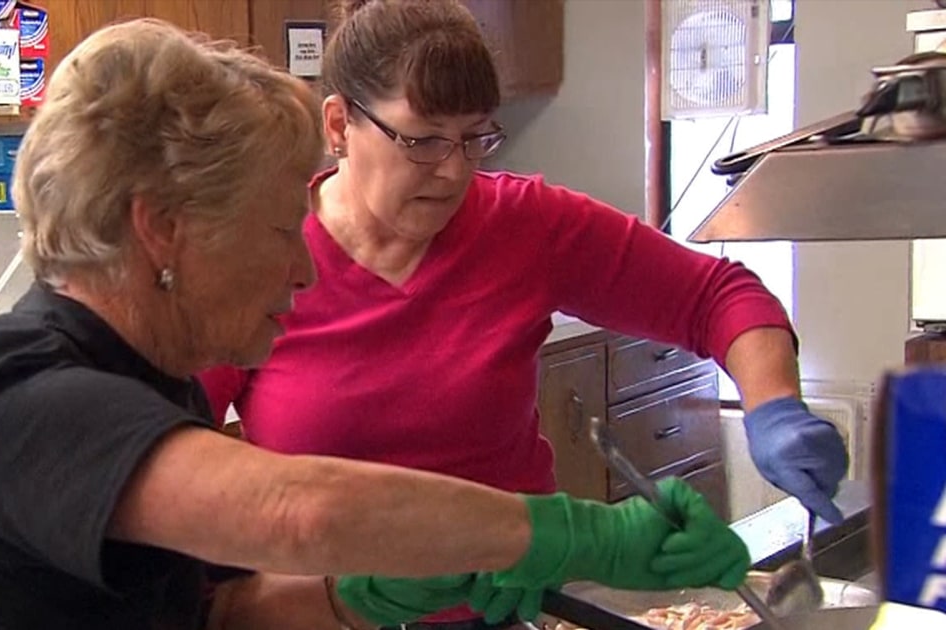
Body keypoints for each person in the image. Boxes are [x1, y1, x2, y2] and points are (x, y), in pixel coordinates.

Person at [0, 17, 750, 630]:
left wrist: (363, 593)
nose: (301, 266)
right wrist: (578, 536)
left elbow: (218, 613)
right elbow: (292, 510)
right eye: (272, 231)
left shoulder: (154, 378)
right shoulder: (34, 397)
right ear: (162, 229)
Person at [198, 0, 850, 627]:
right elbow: (164, 456)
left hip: (512, 614)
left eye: (474, 137)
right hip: (318, 618)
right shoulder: (265, 258)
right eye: (422, 141)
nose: (454, 170)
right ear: (339, 125)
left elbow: (717, 296)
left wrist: (775, 410)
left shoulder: (524, 226)